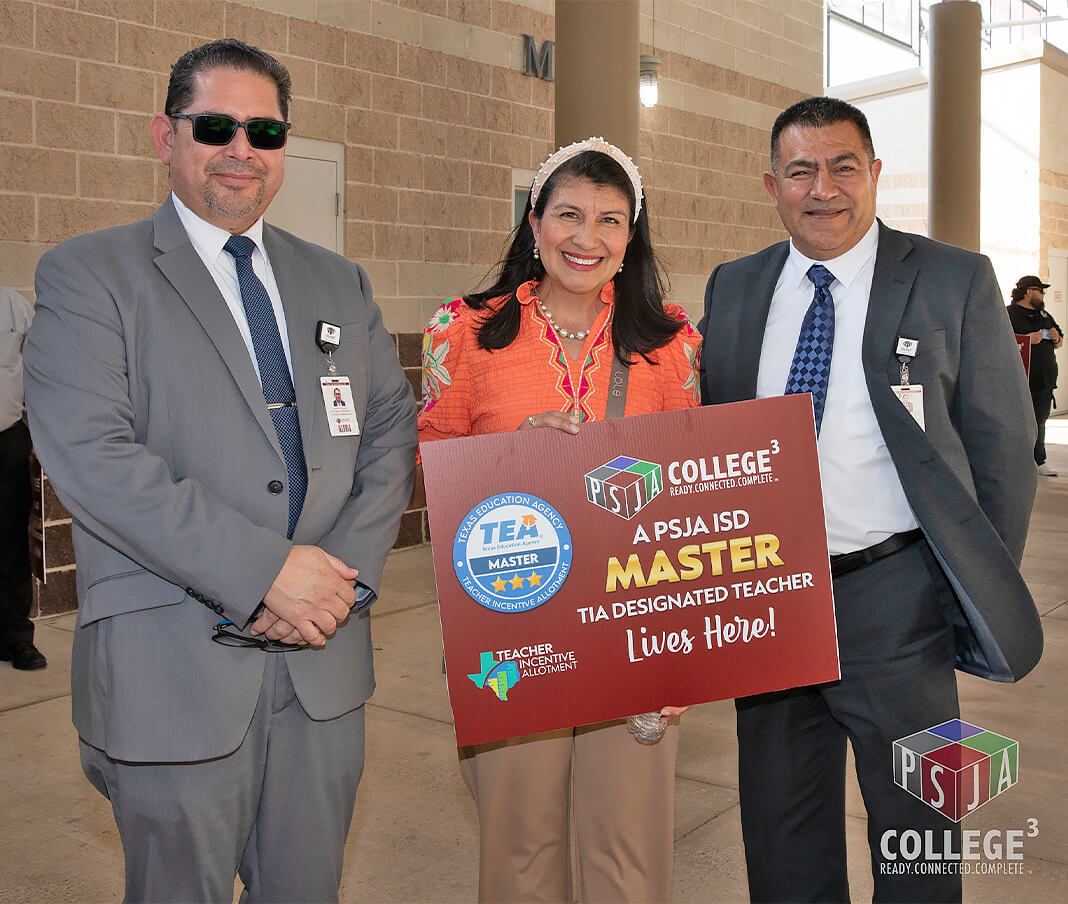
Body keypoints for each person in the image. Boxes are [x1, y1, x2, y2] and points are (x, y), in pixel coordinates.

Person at [22, 39, 417, 902]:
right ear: (165, 135)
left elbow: (389, 429)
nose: (242, 148)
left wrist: (337, 583)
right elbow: (92, 458)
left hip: (321, 668)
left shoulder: (339, 282)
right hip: (172, 673)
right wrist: (267, 571)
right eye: (215, 126)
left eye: (264, 131)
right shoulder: (90, 276)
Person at [698, 97, 1042, 902]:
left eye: (843, 167)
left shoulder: (953, 279)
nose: (823, 189)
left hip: (896, 602)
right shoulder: (737, 285)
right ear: (772, 185)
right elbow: (703, 430)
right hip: (768, 602)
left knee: (918, 837)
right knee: (782, 831)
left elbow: (1002, 452)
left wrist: (964, 586)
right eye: (801, 171)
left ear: (875, 173)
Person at [419, 137, 700, 902]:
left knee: (628, 854)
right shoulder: (464, 331)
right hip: (511, 618)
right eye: (569, 214)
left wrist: (685, 648)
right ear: (534, 221)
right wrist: (513, 455)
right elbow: (429, 466)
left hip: (632, 624)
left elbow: (689, 497)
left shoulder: (671, 344)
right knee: (520, 848)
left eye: (610, 220)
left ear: (631, 237)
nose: (587, 238)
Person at [1, 284, 45, 671]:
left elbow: (35, 373)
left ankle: (16, 638)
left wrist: (40, 434)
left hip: (7, 440)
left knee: (12, 543)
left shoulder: (14, 307)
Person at [1007, 275, 1062, 476]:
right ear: (1029, 292)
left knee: (1040, 420)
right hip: (1021, 380)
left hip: (1045, 380)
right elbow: (1000, 342)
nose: (1043, 295)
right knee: (1019, 422)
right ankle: (1016, 461)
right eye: (1041, 291)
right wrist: (1027, 339)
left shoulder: (1044, 315)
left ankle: (1039, 460)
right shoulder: (1008, 314)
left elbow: (1059, 340)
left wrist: (1056, 337)